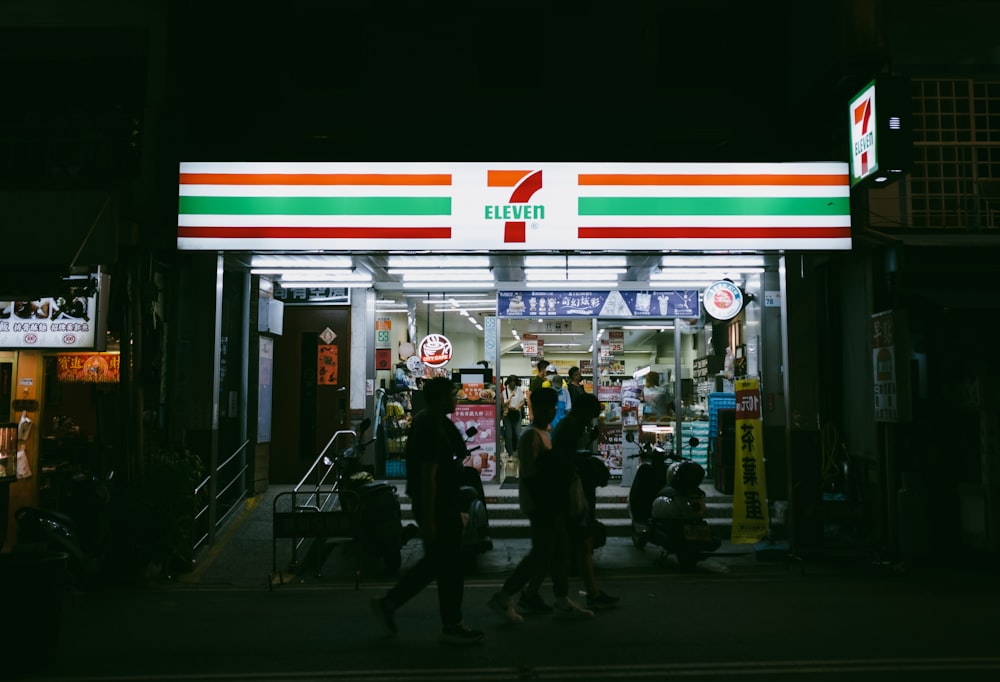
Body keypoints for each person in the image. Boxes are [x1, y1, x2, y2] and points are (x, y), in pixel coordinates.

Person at [371, 377, 484, 645]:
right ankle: (450, 622)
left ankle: (392, 604)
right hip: (437, 503)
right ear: (439, 398)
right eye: (452, 395)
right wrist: (432, 518)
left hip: (442, 502)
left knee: (439, 564)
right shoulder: (429, 426)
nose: (457, 399)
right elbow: (428, 474)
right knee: (450, 565)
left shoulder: (435, 421)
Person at [487, 387, 594, 622]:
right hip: (542, 505)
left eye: (554, 407)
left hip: (551, 503)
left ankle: (557, 597)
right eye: (548, 407)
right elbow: (532, 476)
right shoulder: (531, 436)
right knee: (541, 554)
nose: (552, 411)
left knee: (556, 552)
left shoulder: (546, 433)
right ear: (535, 408)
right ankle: (505, 596)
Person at [551, 392, 620, 611]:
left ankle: (592, 593)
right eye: (592, 414)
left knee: (582, 544)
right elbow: (567, 460)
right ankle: (551, 596)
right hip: (571, 493)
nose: (592, 419)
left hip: (572, 491)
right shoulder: (570, 427)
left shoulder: (571, 426)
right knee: (576, 543)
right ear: (583, 411)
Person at [501, 374, 525, 460]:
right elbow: (504, 403)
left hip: (517, 413)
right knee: (508, 435)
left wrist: (518, 407)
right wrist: (509, 405)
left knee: (518, 434)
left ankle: (519, 452)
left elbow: (523, 401)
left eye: (514, 382)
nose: (513, 384)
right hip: (508, 414)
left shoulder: (519, 390)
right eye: (511, 382)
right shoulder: (504, 392)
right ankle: (510, 453)